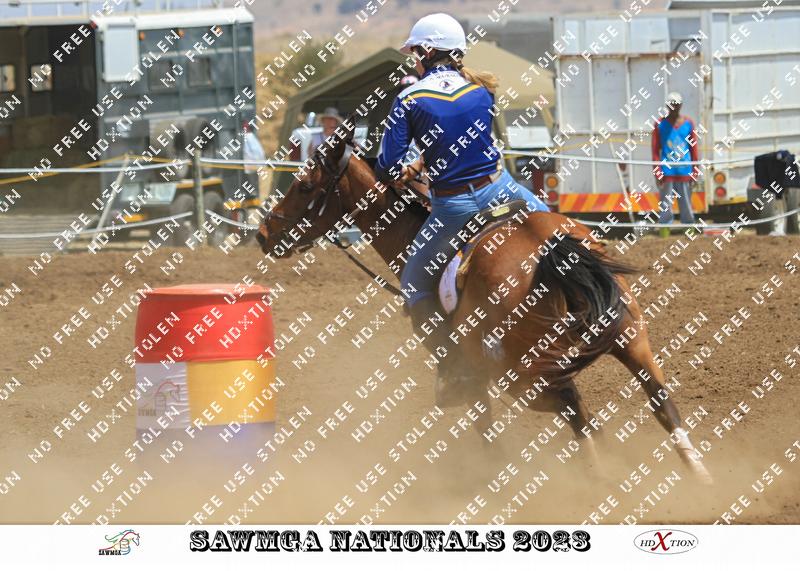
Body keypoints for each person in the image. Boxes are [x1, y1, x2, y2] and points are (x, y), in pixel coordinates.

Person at [375, 13, 550, 407]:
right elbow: (469, 144)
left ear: (427, 52)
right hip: (501, 190)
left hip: (454, 207)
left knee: (414, 285)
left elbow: (387, 167)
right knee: (561, 230)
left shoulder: (409, 98)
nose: (413, 59)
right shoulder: (481, 90)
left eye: (415, 52)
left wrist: (411, 168)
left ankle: (457, 370)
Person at [651, 92, 699, 237]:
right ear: (667, 105)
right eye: (672, 104)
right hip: (667, 172)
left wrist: (695, 170)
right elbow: (655, 150)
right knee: (665, 204)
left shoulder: (688, 123)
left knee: (686, 204)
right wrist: (657, 171)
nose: (674, 107)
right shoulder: (659, 124)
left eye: (677, 104)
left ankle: (689, 229)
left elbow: (693, 148)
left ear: (681, 105)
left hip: (685, 171)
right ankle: (664, 231)